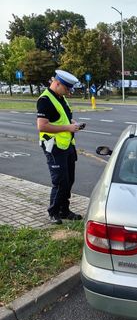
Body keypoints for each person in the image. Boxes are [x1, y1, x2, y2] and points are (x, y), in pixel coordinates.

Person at [37, 69, 83, 225]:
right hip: (54, 147)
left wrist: (72, 123)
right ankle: (53, 212)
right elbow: (42, 126)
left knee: (69, 180)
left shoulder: (60, 97)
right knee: (60, 181)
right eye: (67, 88)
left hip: (67, 145)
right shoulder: (45, 100)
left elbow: (63, 118)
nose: (68, 91)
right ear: (56, 83)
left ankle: (64, 210)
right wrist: (67, 128)